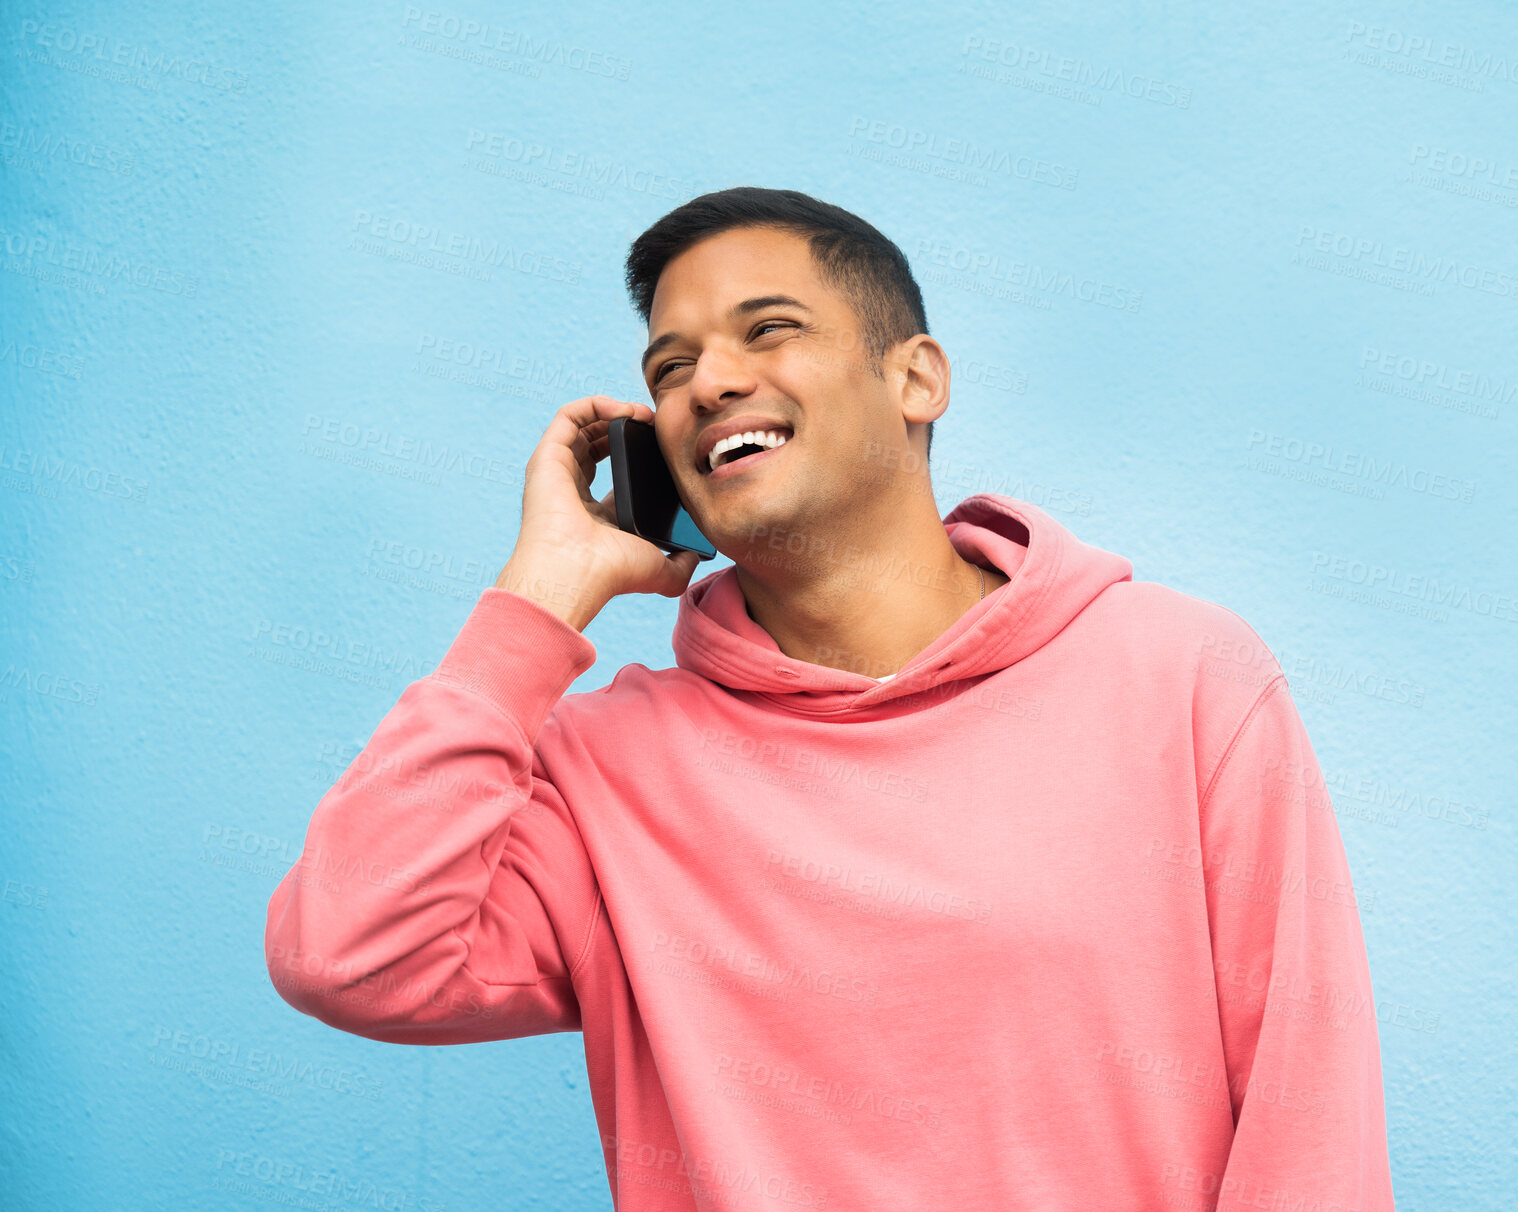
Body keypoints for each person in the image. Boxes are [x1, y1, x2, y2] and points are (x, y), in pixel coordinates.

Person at [265, 187, 1396, 1210]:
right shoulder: (607, 772)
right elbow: (351, 956)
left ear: (915, 378)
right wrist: (539, 595)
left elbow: (1308, 1126)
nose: (708, 382)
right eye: (669, 368)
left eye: (767, 330)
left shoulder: (1180, 676)